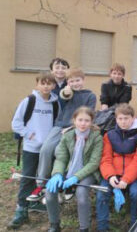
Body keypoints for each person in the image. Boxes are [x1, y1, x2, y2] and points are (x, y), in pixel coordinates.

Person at [27, 68, 97, 202]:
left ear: (83, 80)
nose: (75, 83)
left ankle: (68, 184)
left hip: (77, 128)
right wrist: (66, 92)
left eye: (78, 80)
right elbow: (63, 99)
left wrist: (72, 127)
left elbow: (90, 115)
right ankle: (41, 185)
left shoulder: (90, 95)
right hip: (59, 126)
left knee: (62, 152)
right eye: (71, 81)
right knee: (46, 149)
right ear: (67, 82)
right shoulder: (65, 92)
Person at [8, 73, 59, 229]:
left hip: (47, 149)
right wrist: (29, 135)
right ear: (37, 84)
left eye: (49, 83)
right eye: (42, 83)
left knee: (43, 177)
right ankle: (21, 209)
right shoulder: (29, 101)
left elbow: (57, 123)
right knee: (27, 177)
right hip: (31, 147)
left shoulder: (55, 103)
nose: (46, 86)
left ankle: (36, 202)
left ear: (54, 86)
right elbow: (16, 123)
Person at [44, 107, 103, 232]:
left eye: (87, 120)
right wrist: (57, 174)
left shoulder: (97, 138)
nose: (83, 123)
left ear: (91, 122)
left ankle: (84, 228)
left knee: (81, 195)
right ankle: (54, 224)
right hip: (68, 170)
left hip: (87, 172)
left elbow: (93, 163)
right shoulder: (67, 136)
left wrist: (76, 177)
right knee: (49, 192)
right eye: (80, 120)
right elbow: (61, 158)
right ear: (74, 120)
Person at [96, 103, 137, 230]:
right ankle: (102, 227)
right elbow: (106, 158)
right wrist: (110, 176)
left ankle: (135, 226)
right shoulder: (109, 135)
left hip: (132, 175)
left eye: (126, 118)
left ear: (133, 118)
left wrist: (126, 179)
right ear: (116, 119)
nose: (123, 122)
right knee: (102, 194)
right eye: (120, 119)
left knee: (136, 193)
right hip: (113, 173)